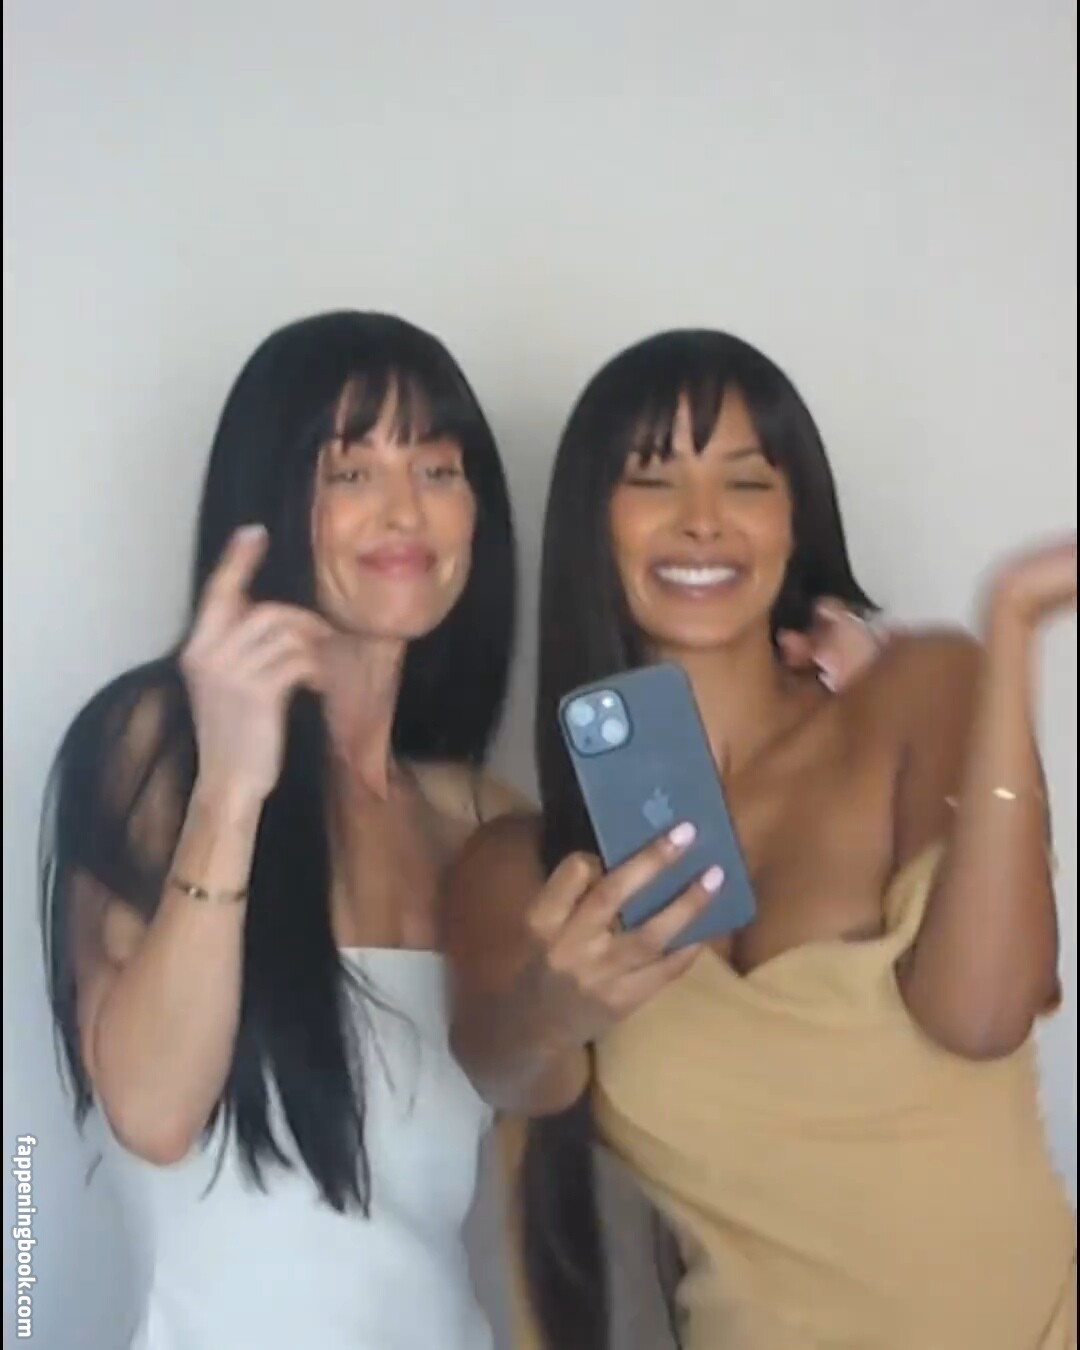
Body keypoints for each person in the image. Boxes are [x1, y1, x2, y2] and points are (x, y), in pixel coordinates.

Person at [444, 329, 1077, 1350]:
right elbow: (505, 1069)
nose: (704, 520)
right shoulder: (518, 864)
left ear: (793, 521)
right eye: (654, 480)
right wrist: (553, 1011)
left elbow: (985, 1014)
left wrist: (1010, 630)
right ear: (592, 521)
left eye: (746, 481)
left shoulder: (921, 695)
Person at [38, 309, 535, 1350]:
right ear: (268, 498)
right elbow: (153, 1110)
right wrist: (232, 792)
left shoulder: (482, 822)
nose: (405, 510)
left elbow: (528, 1197)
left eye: (439, 469)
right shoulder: (152, 743)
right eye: (351, 471)